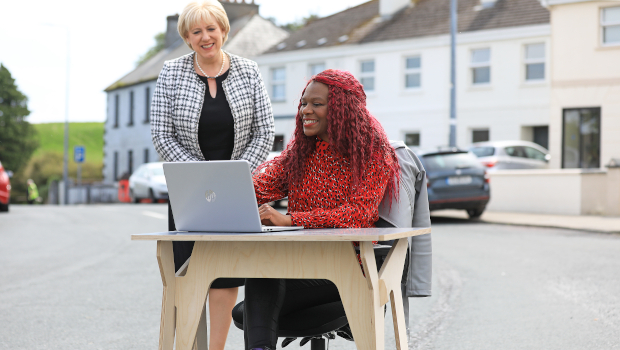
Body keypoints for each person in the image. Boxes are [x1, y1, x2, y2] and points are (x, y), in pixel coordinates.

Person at [244, 69, 400, 350]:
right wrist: (224, 193)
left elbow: (359, 214)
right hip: (301, 265)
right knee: (261, 273)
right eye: (304, 103)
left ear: (342, 108)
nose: (306, 110)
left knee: (257, 298)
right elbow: (258, 187)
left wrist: (290, 220)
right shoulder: (301, 152)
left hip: (348, 267)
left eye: (317, 104)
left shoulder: (374, 153)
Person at [150, 1, 275, 349]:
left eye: (211, 29)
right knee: (189, 276)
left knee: (224, 276)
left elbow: (265, 132)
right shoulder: (170, 73)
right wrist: (201, 176)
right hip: (189, 191)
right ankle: (190, 345)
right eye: (196, 32)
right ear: (187, 38)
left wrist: (236, 175)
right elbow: (162, 134)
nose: (205, 37)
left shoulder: (249, 71)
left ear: (223, 30)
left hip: (236, 190)